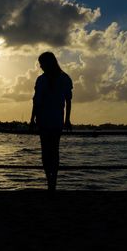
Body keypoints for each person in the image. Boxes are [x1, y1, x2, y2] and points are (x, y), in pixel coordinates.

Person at [30, 52, 73, 191]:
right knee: (53, 151)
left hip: (49, 120)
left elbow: (36, 102)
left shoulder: (44, 80)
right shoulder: (63, 78)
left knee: (48, 152)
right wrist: (67, 119)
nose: (40, 66)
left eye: (41, 63)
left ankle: (51, 180)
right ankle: (52, 180)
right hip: (52, 120)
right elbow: (68, 101)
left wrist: (32, 120)